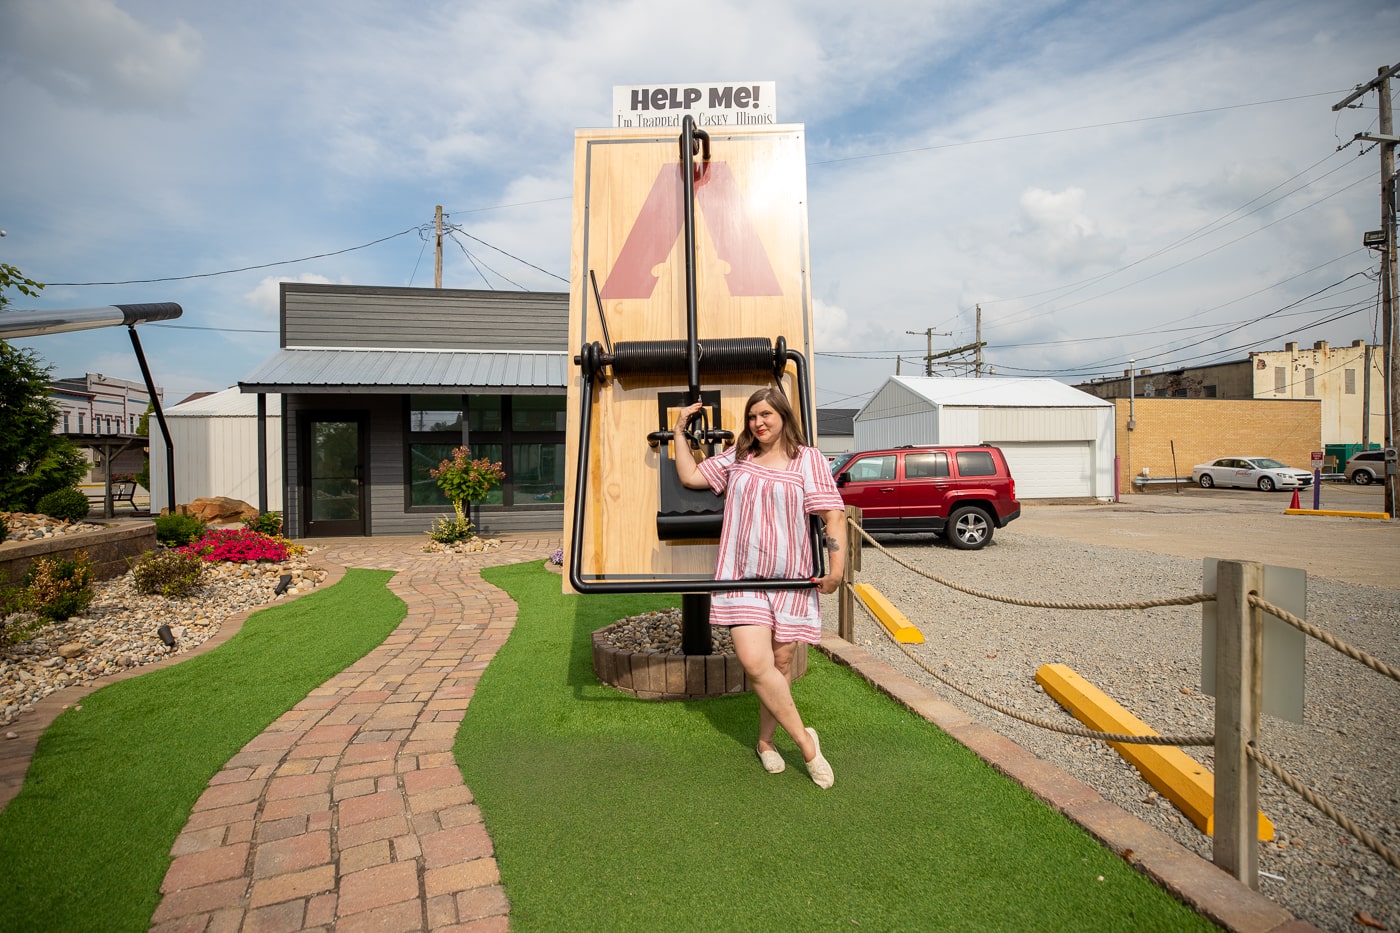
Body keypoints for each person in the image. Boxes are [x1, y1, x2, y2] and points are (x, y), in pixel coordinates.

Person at [674, 386, 846, 788]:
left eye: (766, 414)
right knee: (754, 663)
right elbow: (689, 475)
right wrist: (680, 430)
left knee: (781, 664)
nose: (759, 423)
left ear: (783, 416)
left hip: (789, 578)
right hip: (742, 578)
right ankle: (807, 744)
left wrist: (836, 571)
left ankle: (766, 742)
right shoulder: (739, 458)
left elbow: (832, 517)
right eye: (753, 416)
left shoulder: (808, 460)